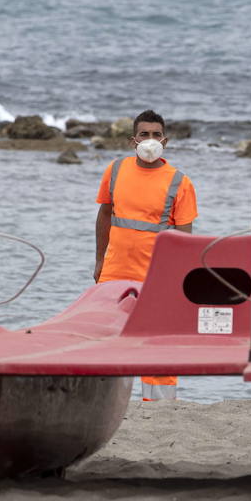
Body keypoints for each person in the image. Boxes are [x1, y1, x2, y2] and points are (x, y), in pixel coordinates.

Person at [94, 109, 198, 400]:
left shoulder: (180, 182)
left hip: (158, 278)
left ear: (165, 141)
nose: (149, 140)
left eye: (155, 135)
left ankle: (159, 408)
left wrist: (178, 281)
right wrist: (99, 261)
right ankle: (111, 405)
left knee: (158, 347)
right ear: (132, 140)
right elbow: (104, 217)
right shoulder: (116, 171)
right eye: (144, 134)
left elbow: (184, 239)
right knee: (112, 343)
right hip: (114, 274)